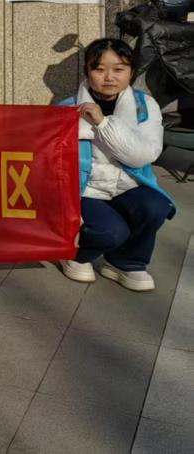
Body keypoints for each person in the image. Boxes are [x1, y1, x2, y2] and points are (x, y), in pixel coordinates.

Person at [57, 39, 175, 291]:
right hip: (86, 192)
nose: (109, 77)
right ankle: (76, 254)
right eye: (99, 69)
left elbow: (143, 155)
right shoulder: (66, 109)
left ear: (131, 72)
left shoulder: (145, 107)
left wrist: (102, 124)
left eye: (119, 69)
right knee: (112, 232)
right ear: (87, 71)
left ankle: (125, 262)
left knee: (155, 206)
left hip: (128, 186)